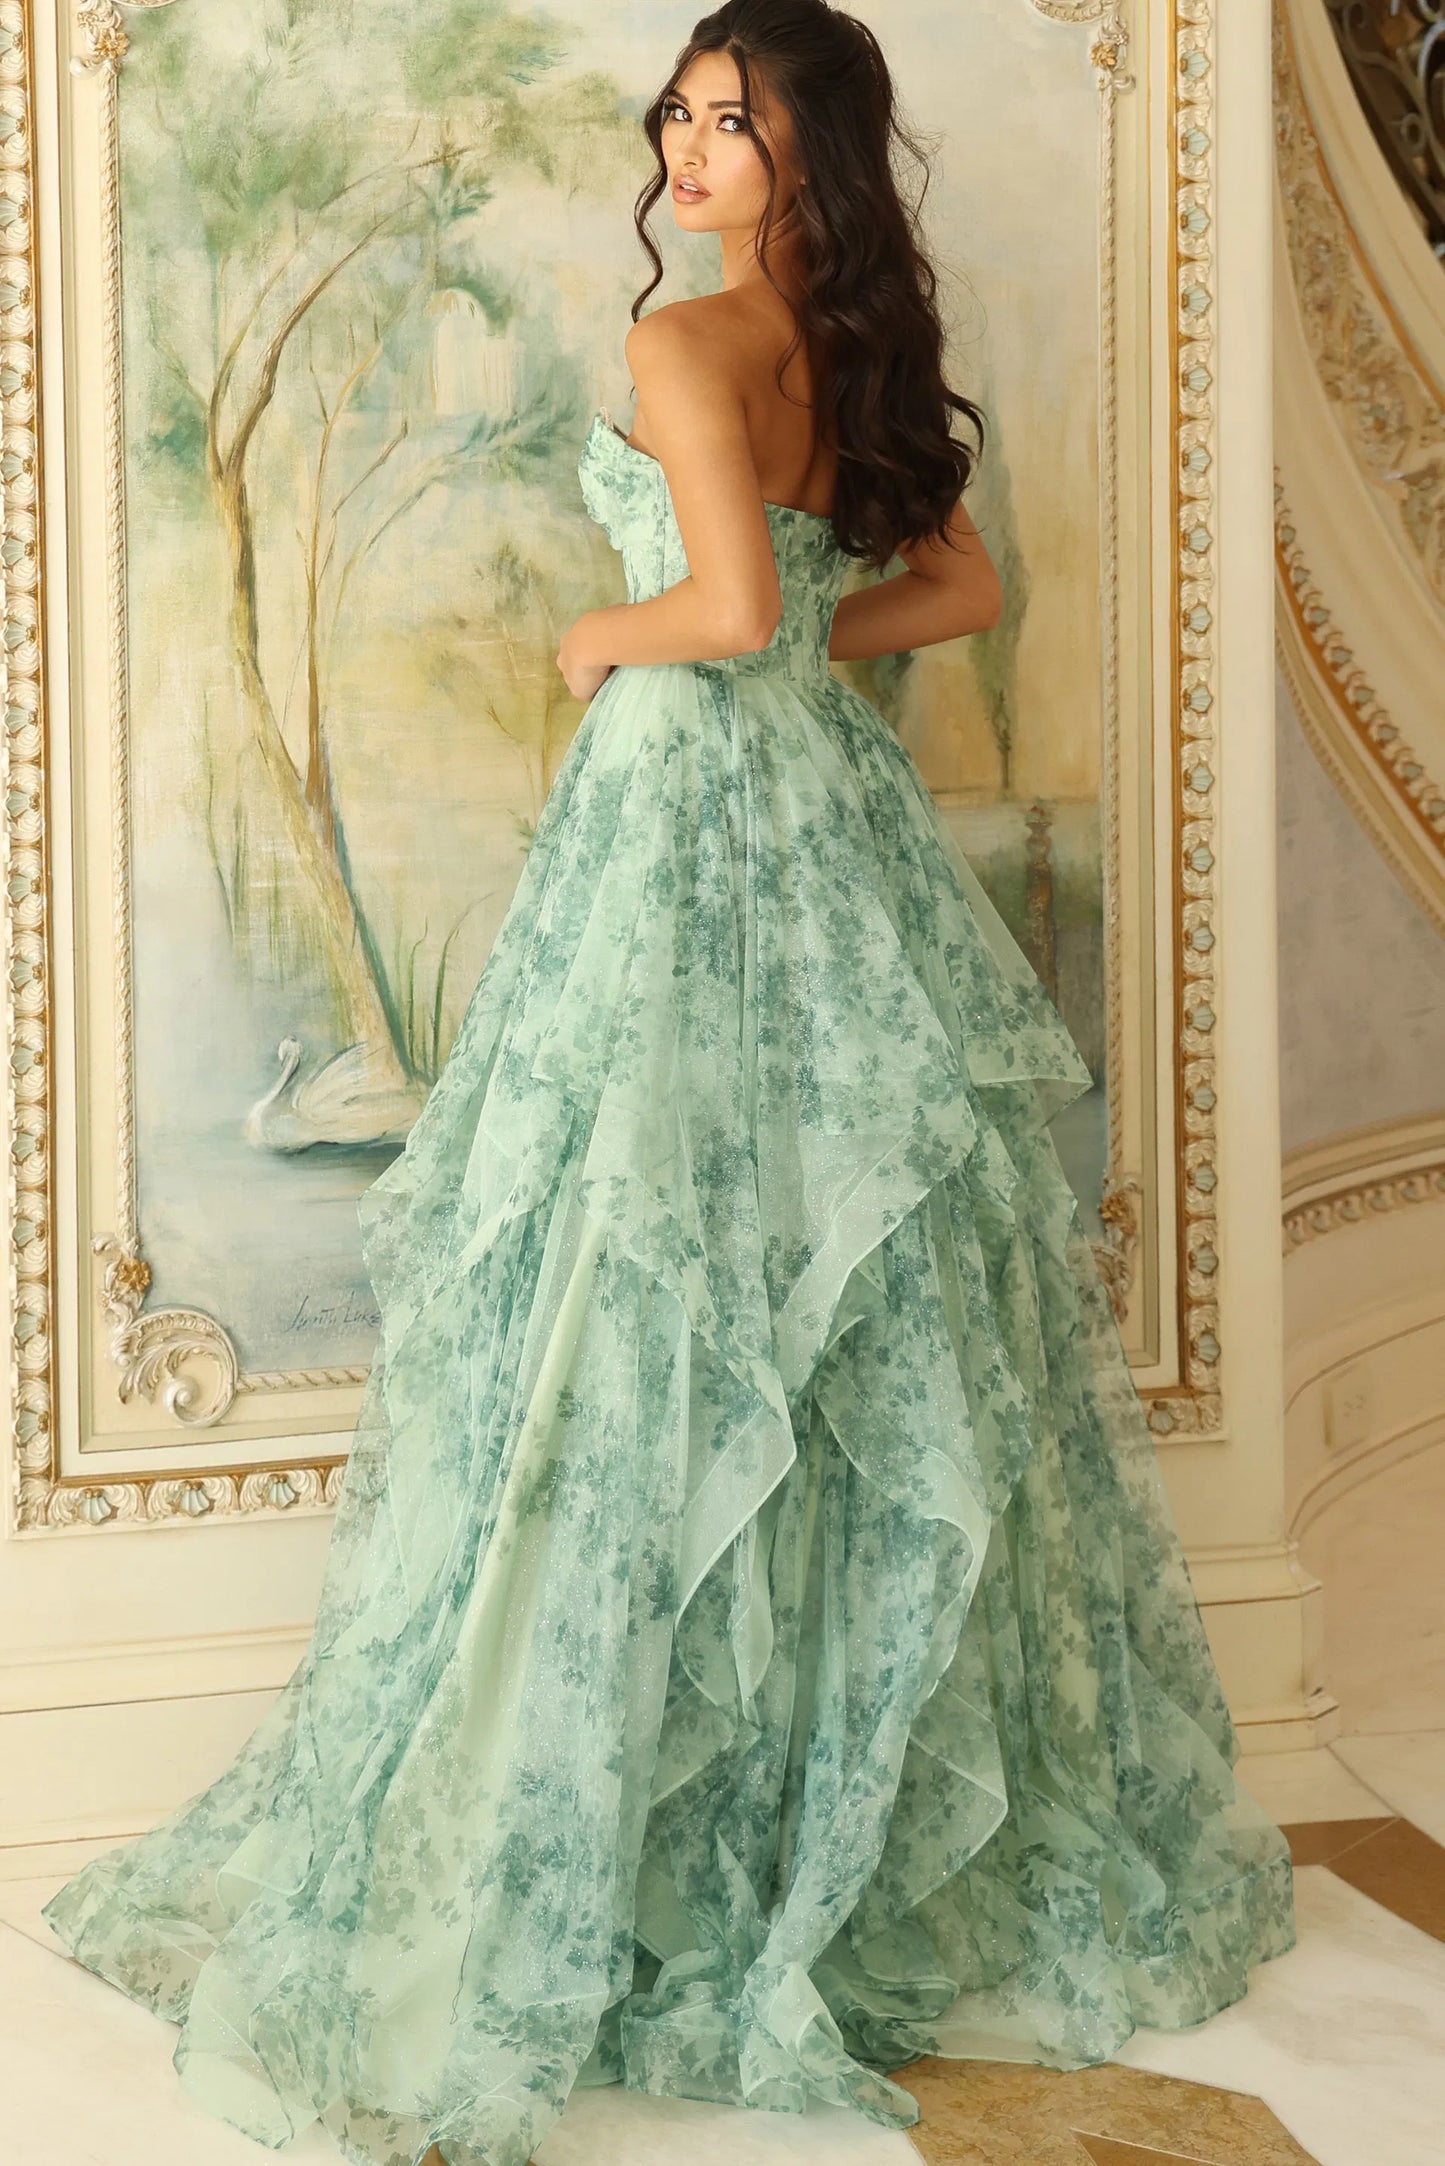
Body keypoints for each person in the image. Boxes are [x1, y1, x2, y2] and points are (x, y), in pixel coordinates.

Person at [40, 6, 1296, 2163]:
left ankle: (628, 1822)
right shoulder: (867, 358)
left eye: (736, 119)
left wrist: (605, 643)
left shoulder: (683, 344)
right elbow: (953, 588)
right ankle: (815, 1810)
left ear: (808, 150)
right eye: (684, 112)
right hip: (831, 832)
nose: (689, 145)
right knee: (831, 1302)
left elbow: (715, 601)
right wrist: (804, 636)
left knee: (644, 1280)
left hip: (688, 820)